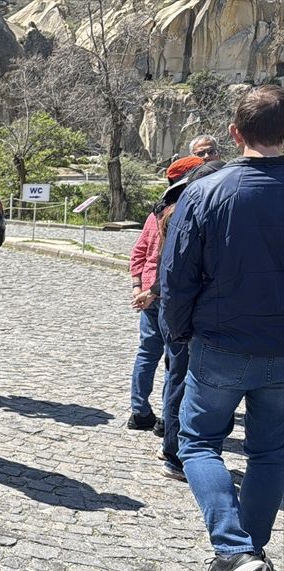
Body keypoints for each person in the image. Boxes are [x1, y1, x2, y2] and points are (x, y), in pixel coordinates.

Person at [160, 84, 284, 571]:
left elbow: (176, 275)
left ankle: (233, 550)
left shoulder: (205, 190)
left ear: (234, 134)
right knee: (271, 453)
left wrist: (176, 336)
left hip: (220, 344)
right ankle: (249, 552)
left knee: (196, 442)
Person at [135, 159, 226, 482]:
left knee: (176, 377)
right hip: (185, 314)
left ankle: (171, 440)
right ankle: (176, 449)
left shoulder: (177, 212)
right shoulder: (183, 216)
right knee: (181, 379)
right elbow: (174, 270)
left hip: (174, 310)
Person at [126, 156, 203, 434]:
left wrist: (138, 287)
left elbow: (138, 253)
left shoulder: (155, 212)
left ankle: (139, 411)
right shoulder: (186, 213)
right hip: (170, 296)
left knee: (148, 352)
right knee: (176, 359)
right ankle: (168, 421)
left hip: (149, 293)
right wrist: (149, 290)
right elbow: (175, 263)